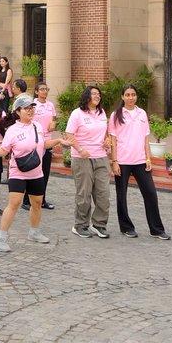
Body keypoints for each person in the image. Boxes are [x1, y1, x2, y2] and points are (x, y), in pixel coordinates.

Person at [0, 94, 68, 252]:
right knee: (14, 203)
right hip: (18, 172)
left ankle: (34, 232)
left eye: (32, 108)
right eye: (27, 109)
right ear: (18, 111)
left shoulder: (37, 126)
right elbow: (4, 150)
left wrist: (59, 141)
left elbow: (43, 144)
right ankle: (2, 238)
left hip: (36, 172)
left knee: (37, 203)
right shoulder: (12, 130)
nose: (31, 111)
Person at [108, 85, 170, 240]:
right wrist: (114, 161)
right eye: (127, 95)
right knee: (122, 195)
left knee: (150, 193)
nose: (130, 97)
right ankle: (126, 227)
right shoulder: (116, 115)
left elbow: (145, 138)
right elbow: (113, 141)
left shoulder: (141, 113)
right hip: (122, 161)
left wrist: (148, 158)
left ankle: (156, 229)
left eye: (133, 94)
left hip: (141, 160)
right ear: (122, 97)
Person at [68, 85, 111, 239]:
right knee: (84, 194)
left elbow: (104, 133)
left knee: (103, 194)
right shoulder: (77, 114)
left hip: (101, 157)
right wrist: (80, 149)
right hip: (82, 158)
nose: (97, 96)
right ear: (86, 96)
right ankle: (80, 225)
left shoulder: (101, 113)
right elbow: (69, 135)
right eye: (93, 94)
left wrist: (106, 141)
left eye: (98, 94)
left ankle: (99, 224)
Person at [30, 81, 58, 210]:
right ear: (36, 91)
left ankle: (42, 199)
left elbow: (53, 119)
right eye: (42, 89)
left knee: (45, 172)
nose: (45, 92)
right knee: (33, 170)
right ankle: (27, 199)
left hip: (48, 141)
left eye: (46, 89)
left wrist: (53, 123)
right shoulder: (32, 105)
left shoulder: (50, 105)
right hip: (35, 141)